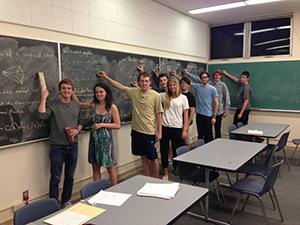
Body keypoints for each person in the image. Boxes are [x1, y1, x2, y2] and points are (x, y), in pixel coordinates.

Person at [97, 71, 163, 178]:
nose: (144, 83)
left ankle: (156, 180)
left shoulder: (156, 96)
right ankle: (147, 177)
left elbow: (159, 114)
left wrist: (159, 131)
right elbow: (120, 86)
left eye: (146, 81)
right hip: (136, 131)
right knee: (142, 156)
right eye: (142, 81)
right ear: (139, 82)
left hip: (149, 132)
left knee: (153, 157)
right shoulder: (134, 92)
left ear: (150, 82)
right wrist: (106, 77)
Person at [38, 79, 83, 208]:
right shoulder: (53, 104)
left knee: (70, 176)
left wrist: (77, 130)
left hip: (73, 146)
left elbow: (81, 122)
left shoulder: (76, 105)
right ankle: (53, 204)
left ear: (72, 91)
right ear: (60, 90)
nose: (66, 91)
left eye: (69, 89)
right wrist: (43, 97)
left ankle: (65, 201)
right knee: (56, 177)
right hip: (57, 147)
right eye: (64, 88)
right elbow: (41, 116)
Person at [73, 82, 121, 185]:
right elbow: (79, 104)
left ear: (106, 93)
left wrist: (102, 124)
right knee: (95, 168)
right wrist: (72, 93)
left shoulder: (112, 107)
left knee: (110, 168)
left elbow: (117, 125)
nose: (98, 94)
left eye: (101, 92)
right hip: (94, 141)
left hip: (106, 142)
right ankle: (97, 191)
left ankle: (115, 189)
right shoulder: (93, 105)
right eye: (96, 92)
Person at [160, 76, 189, 179]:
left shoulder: (183, 98)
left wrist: (185, 129)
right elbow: (150, 94)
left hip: (177, 128)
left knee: (177, 149)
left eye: (174, 85)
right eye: (170, 85)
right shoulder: (163, 96)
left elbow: (186, 115)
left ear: (177, 85)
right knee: (164, 150)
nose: (172, 87)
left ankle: (177, 167)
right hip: (165, 127)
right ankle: (165, 172)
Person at [183, 71, 218, 143]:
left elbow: (216, 103)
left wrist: (214, 116)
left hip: (208, 115)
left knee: (208, 135)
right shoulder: (197, 87)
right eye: (202, 78)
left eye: (205, 77)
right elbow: (185, 82)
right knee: (200, 134)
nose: (204, 79)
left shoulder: (212, 89)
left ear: (208, 78)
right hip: (199, 115)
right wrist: (175, 75)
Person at [210, 71, 231, 138]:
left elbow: (226, 98)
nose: (217, 76)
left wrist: (226, 110)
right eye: (215, 75)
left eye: (218, 75)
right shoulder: (209, 84)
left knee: (217, 129)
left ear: (220, 76)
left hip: (219, 111)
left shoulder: (223, 85)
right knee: (208, 129)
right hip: (210, 110)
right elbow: (198, 80)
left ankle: (218, 143)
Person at [179, 77, 197, 147]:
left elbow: (192, 111)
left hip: (188, 122)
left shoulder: (191, 96)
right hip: (179, 121)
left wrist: (187, 124)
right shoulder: (179, 95)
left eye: (185, 83)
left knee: (188, 141)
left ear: (189, 85)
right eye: (182, 83)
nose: (183, 85)